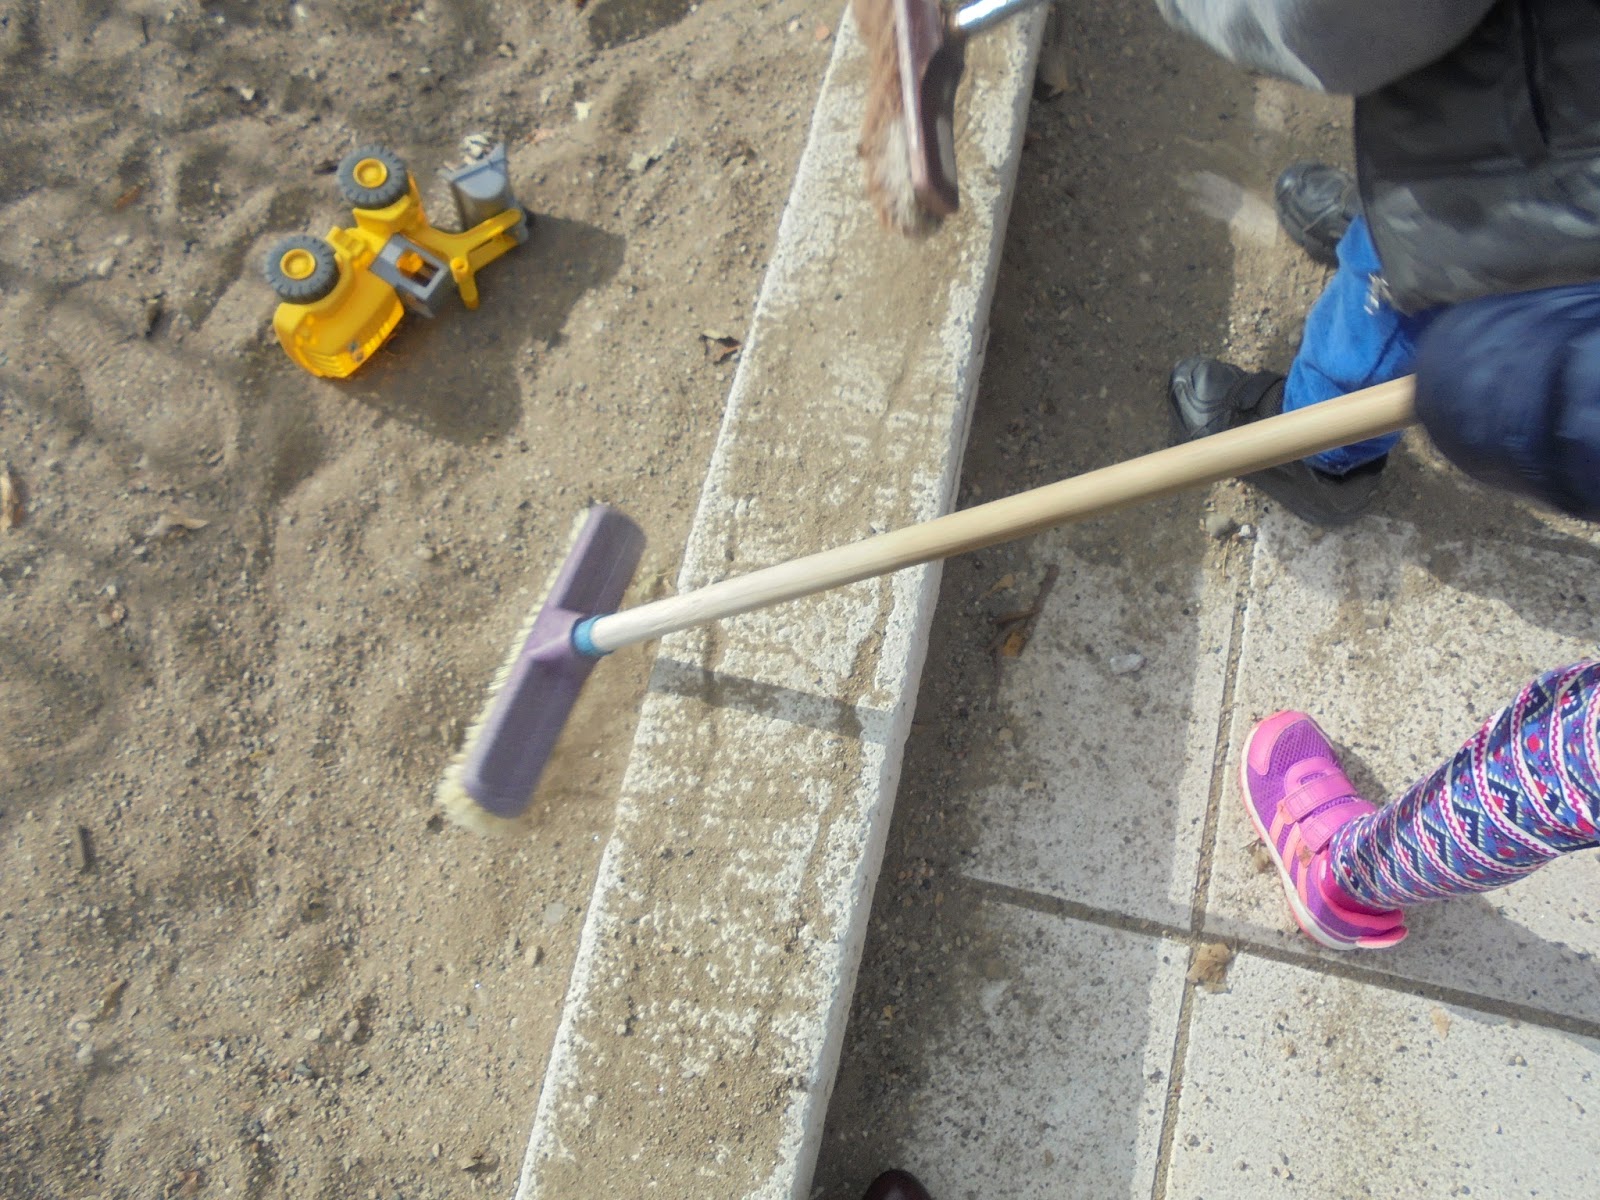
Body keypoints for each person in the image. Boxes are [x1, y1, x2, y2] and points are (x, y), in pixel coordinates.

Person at [1149, 0, 1600, 946]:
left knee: (1560, 769)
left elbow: (1335, 15)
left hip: (1530, 211)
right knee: (1411, 237)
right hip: (1523, 127)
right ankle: (1386, 233)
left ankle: (1351, 877)